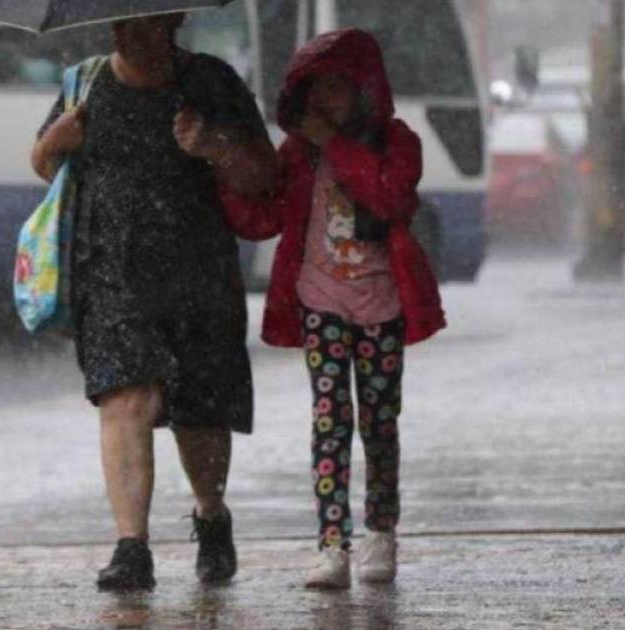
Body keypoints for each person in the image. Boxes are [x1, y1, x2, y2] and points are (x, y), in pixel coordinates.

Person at [30, 14, 278, 592]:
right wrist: (52, 144)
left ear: (173, 20)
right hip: (110, 274)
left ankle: (211, 515)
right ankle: (131, 547)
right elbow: (46, 166)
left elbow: (264, 176)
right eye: (118, 24)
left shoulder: (211, 82)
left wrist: (213, 145)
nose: (125, 34)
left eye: (140, 24)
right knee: (125, 398)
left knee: (200, 414)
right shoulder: (85, 83)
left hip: (199, 276)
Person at [218, 29, 445, 589]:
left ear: (364, 91)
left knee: (379, 421)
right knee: (329, 418)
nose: (325, 101)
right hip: (320, 302)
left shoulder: (398, 143)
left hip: (381, 305)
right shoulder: (299, 153)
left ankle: (381, 531)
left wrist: (338, 146)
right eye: (316, 90)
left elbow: (389, 198)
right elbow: (265, 216)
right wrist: (221, 170)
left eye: (337, 88)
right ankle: (331, 543)